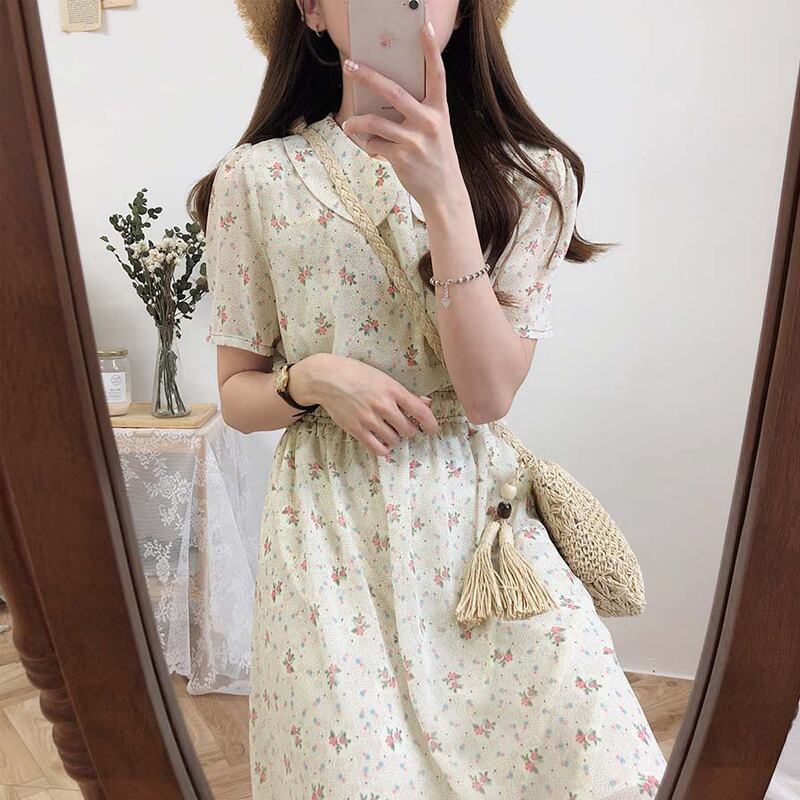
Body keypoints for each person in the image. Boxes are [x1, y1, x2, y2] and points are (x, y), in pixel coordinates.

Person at [190, 1, 668, 796]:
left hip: (481, 532)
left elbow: (487, 395)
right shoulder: (257, 179)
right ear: (311, 8)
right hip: (329, 534)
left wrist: (445, 196)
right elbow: (237, 398)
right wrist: (313, 379)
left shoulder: (529, 177)